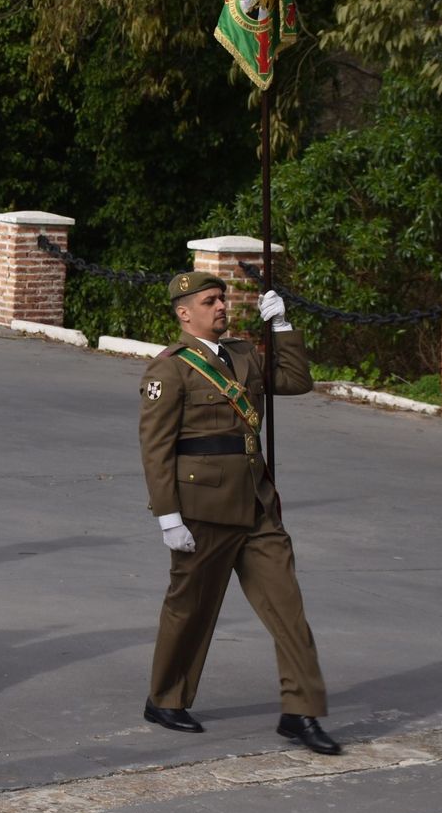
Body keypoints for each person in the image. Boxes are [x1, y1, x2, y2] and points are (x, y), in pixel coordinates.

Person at [138, 272, 340, 755]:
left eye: (222, 299)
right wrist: (168, 517)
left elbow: (295, 382)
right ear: (184, 312)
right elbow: (156, 449)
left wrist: (283, 328)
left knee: (288, 610)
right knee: (191, 609)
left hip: (257, 506)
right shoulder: (170, 369)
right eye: (210, 301)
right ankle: (166, 698)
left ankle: (300, 712)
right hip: (203, 510)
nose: (221, 307)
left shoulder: (244, 355)